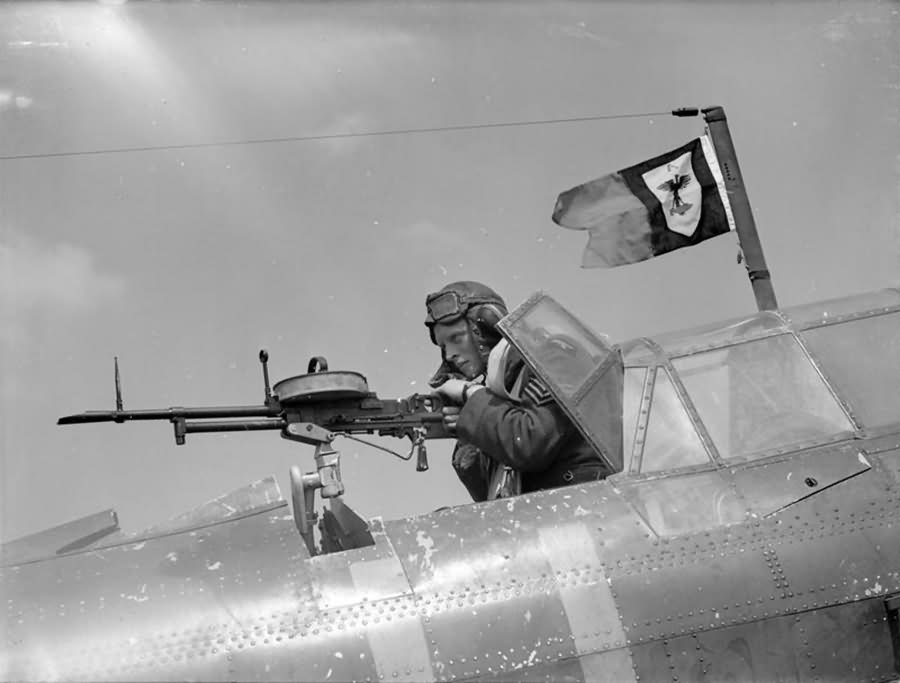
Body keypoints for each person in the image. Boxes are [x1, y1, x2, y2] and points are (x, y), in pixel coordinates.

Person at [424, 281, 610, 501]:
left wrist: (470, 394)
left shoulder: (556, 359)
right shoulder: (502, 392)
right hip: (546, 515)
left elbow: (529, 443)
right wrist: (471, 432)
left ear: (486, 328)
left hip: (588, 506)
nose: (449, 355)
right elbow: (490, 498)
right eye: (443, 346)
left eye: (456, 338)